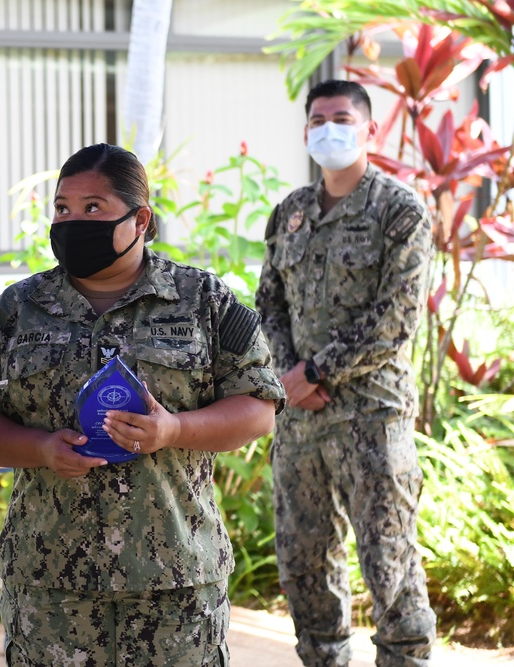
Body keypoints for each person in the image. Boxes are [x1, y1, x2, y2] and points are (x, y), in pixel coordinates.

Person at [0, 143, 285, 666]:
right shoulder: (18, 309)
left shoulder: (202, 302)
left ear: (140, 219)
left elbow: (258, 408)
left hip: (173, 585)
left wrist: (174, 430)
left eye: (92, 208)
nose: (72, 221)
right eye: (62, 208)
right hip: (50, 586)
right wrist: (38, 448)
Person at [255, 79, 437, 667]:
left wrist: (315, 371)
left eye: (340, 117)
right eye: (316, 119)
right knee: (304, 563)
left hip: (372, 418)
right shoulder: (290, 214)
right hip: (300, 421)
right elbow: (269, 304)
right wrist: (288, 374)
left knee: (389, 562)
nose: (327, 128)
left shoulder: (399, 210)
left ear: (369, 130)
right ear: (306, 131)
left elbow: (397, 317)